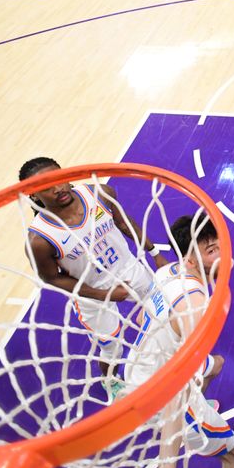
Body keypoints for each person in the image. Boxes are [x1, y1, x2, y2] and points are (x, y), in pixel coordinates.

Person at [19, 157, 167, 398]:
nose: (59, 188)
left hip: (130, 269)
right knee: (112, 349)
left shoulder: (99, 193)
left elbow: (123, 222)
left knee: (163, 317)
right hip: (92, 294)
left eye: (59, 179)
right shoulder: (39, 240)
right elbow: (52, 279)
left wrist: (155, 253)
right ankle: (111, 381)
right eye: (47, 186)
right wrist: (105, 294)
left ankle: (170, 359)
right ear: (34, 195)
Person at [124, 214, 234, 468]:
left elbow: (139, 318)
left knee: (216, 363)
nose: (223, 253)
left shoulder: (167, 271)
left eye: (221, 245)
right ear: (191, 260)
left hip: (139, 365)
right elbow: (175, 389)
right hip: (161, 390)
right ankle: (191, 420)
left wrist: (219, 261)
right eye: (212, 250)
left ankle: (197, 404)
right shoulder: (196, 307)